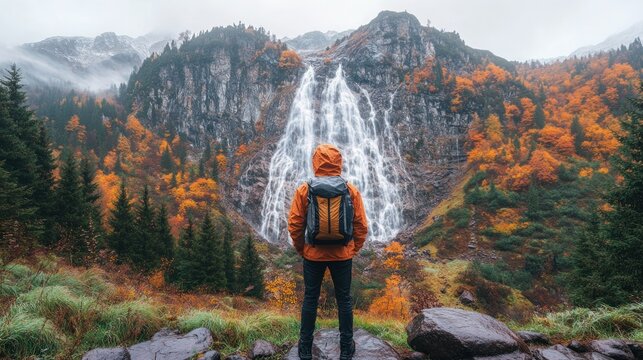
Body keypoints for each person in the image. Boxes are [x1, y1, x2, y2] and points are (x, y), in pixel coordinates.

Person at [288, 144, 368, 360]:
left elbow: (295, 224)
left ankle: (305, 349)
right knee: (344, 300)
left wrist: (301, 248)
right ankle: (345, 348)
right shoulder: (350, 189)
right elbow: (361, 225)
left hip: (313, 254)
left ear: (315, 162)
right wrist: (353, 248)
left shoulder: (305, 189)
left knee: (310, 299)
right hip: (342, 254)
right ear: (338, 162)